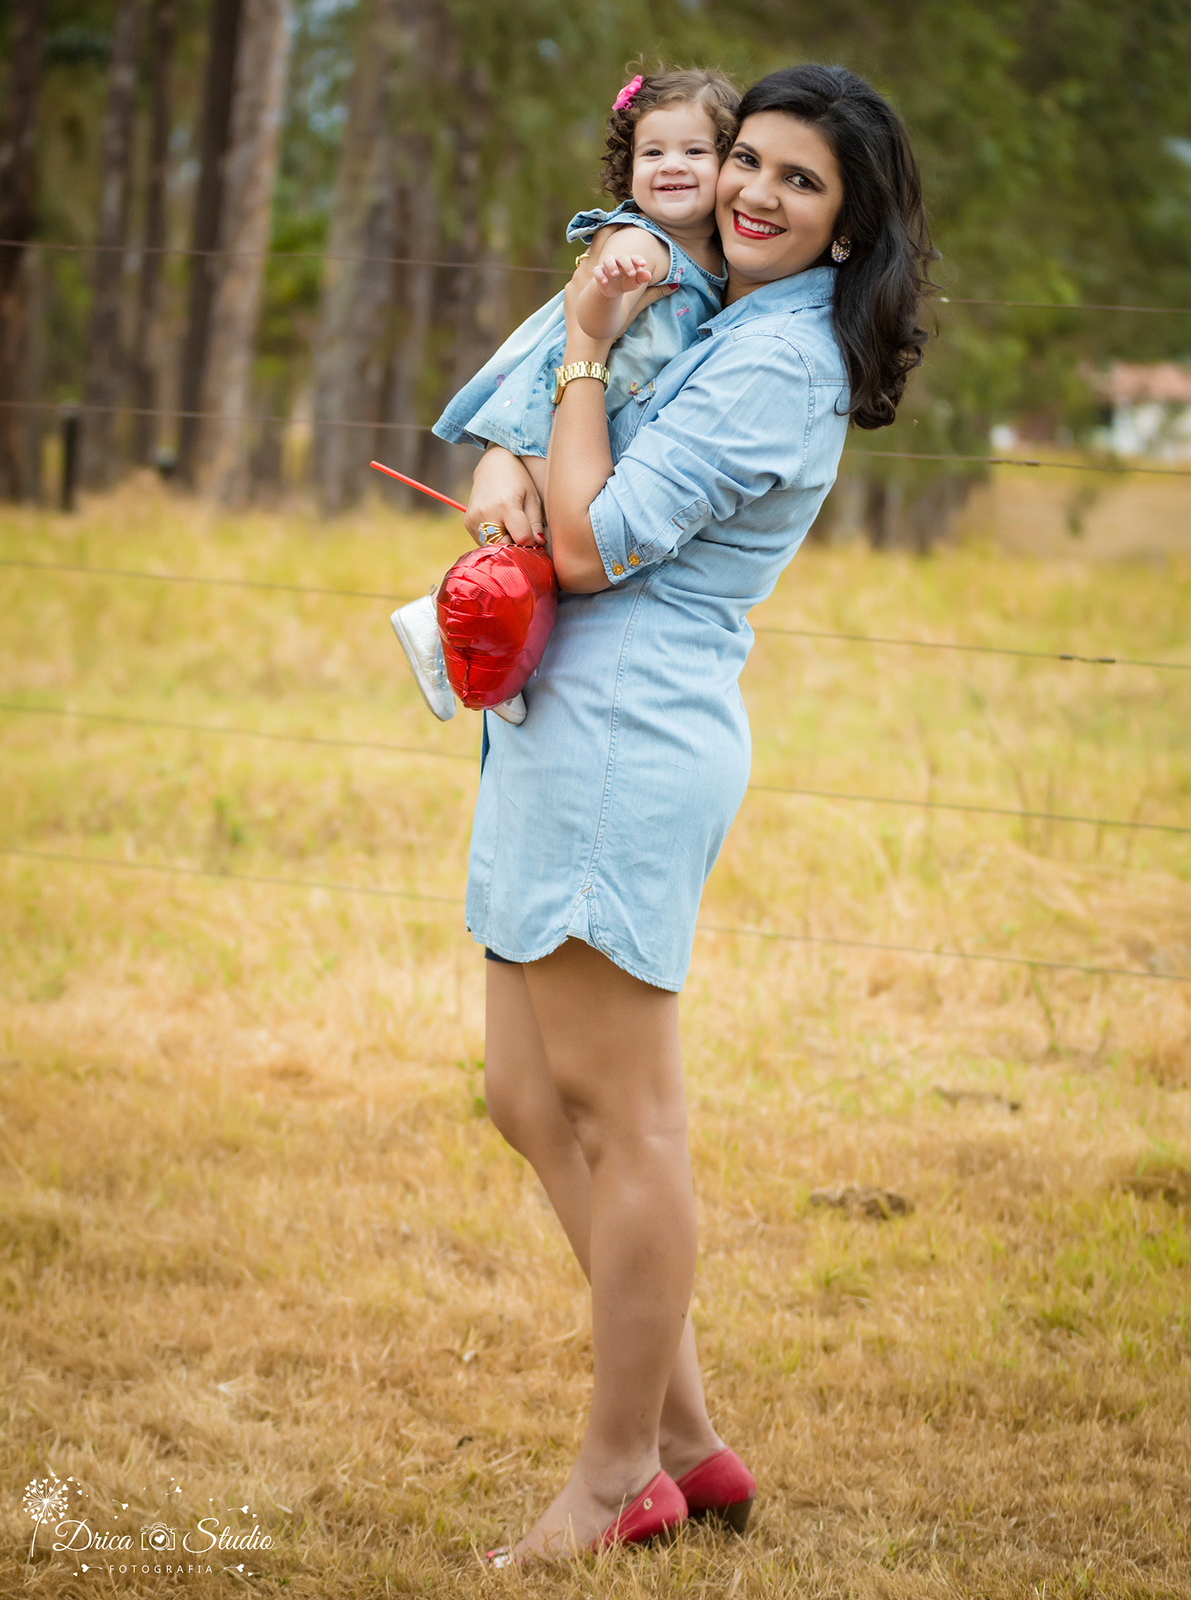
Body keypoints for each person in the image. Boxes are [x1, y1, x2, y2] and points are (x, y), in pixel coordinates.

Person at [462, 63, 934, 1566]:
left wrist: (587, 355)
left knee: (628, 1116)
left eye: (801, 181)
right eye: (748, 160)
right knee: (530, 1100)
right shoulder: (717, 314)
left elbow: (595, 543)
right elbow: (531, 450)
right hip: (561, 724)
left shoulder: (777, 364)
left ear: (850, 229)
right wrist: (503, 456)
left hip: (628, 735)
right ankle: (687, 1442)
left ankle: (617, 1482)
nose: (754, 192)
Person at [390, 68, 739, 726]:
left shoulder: (714, 258)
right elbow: (593, 328)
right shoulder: (643, 244)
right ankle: (448, 626)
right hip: (556, 419)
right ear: (627, 167)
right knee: (555, 544)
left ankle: (498, 649)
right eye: (653, 152)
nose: (673, 166)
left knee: (543, 547)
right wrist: (609, 287)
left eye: (696, 151)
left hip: (586, 418)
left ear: (728, 160)